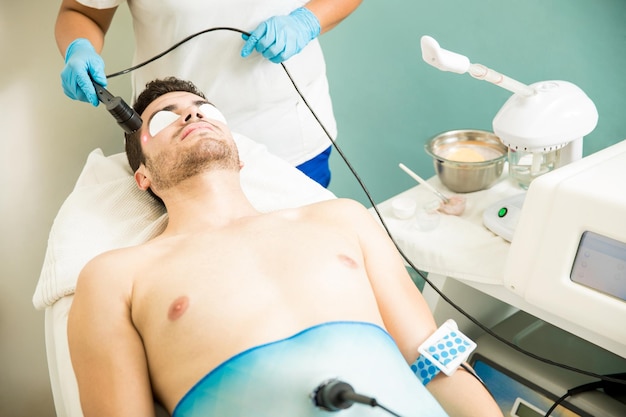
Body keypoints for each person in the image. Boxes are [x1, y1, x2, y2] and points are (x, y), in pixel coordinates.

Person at [67, 77, 503, 417]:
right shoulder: (116, 277)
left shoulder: (342, 219)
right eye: (164, 117)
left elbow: (434, 356)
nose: (191, 116)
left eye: (206, 110)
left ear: (240, 156)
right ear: (142, 177)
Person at [55, 0, 363, 188]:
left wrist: (307, 21)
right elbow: (80, 11)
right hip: (179, 153)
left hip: (287, 135)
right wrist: (78, 48)